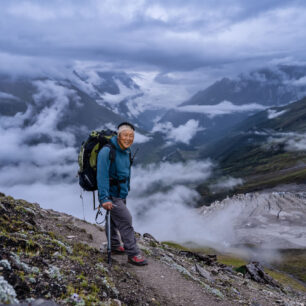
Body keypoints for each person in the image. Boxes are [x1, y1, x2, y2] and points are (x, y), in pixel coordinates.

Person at [96, 122, 148, 266]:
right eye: (125, 135)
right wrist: (104, 198)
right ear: (118, 136)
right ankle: (133, 253)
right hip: (111, 195)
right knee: (126, 221)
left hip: (121, 193)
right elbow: (102, 175)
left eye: (131, 136)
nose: (128, 138)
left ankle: (113, 245)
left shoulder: (126, 151)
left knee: (113, 220)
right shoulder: (107, 151)